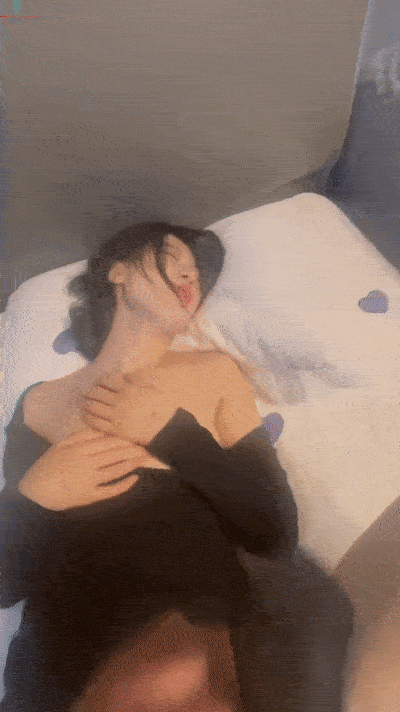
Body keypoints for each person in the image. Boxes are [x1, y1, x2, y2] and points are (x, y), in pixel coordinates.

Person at [1, 222, 353, 712]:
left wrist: (172, 434)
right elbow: (7, 584)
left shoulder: (212, 373)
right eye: (173, 260)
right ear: (118, 271)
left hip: (191, 652)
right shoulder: (38, 404)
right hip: (55, 672)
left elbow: (273, 533)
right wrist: (30, 500)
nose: (192, 277)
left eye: (199, 276)